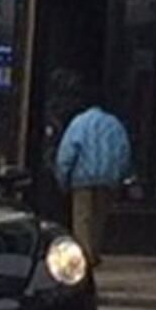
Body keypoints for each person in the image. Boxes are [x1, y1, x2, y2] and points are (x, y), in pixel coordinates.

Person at [50, 87, 133, 266]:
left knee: (82, 219)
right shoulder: (115, 124)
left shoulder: (79, 123)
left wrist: (62, 178)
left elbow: (67, 153)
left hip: (82, 178)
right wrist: (119, 177)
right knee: (99, 218)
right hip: (107, 179)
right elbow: (123, 153)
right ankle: (94, 251)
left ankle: (85, 255)